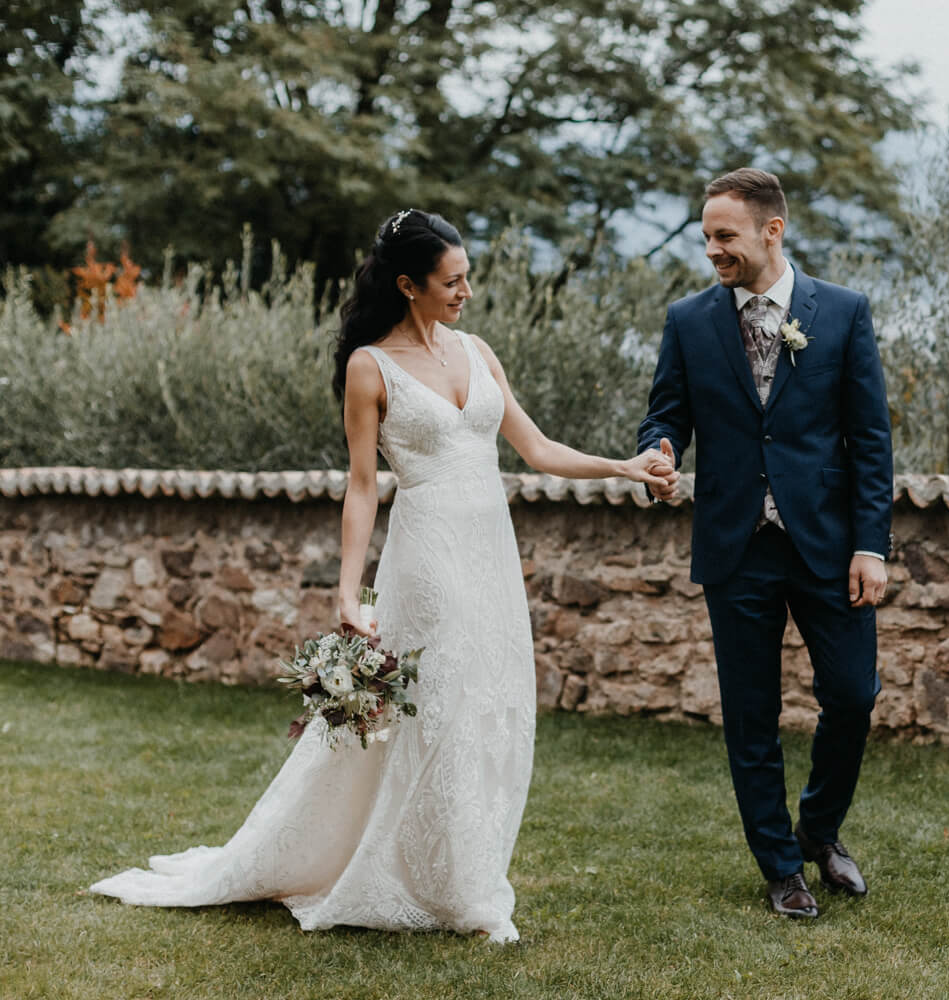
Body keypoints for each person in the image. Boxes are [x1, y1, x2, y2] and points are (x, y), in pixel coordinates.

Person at [90, 209, 676, 942]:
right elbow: (362, 486)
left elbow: (536, 448)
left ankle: (459, 872)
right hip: (425, 555)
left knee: (487, 707)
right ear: (408, 285)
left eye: (467, 276)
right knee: (437, 710)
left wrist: (624, 468)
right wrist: (346, 590)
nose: (466, 291)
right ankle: (461, 897)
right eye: (450, 281)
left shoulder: (478, 350)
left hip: (490, 553)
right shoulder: (371, 366)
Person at [637, 168, 893, 919]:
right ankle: (781, 866)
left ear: (771, 231)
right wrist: (660, 451)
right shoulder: (688, 321)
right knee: (751, 716)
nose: (713, 250)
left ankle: (818, 827)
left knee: (854, 695)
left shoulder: (842, 314)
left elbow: (870, 439)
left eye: (726, 236)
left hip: (828, 542)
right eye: (707, 237)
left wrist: (870, 545)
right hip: (735, 544)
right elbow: (666, 414)